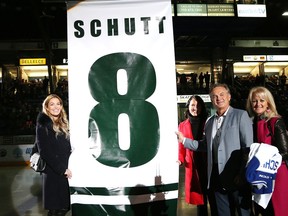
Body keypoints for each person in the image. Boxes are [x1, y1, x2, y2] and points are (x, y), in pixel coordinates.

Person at [176, 83, 253, 216]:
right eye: (214, 96)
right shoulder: (210, 121)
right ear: (211, 100)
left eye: (221, 94)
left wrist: (242, 174)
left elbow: (248, 148)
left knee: (243, 213)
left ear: (229, 96)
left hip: (237, 177)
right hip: (216, 177)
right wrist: (184, 141)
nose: (218, 98)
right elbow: (205, 145)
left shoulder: (241, 115)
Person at [246, 86, 288, 216]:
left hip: (276, 172)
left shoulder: (276, 121)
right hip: (259, 172)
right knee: (263, 209)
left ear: (268, 102)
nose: (258, 104)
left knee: (277, 209)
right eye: (254, 101)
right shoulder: (253, 121)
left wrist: (263, 159)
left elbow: (285, 152)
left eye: (262, 100)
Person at [177, 95, 217, 216]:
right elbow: (181, 146)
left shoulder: (209, 122)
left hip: (209, 163)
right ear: (188, 107)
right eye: (193, 105)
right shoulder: (182, 125)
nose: (195, 108)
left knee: (214, 197)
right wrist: (180, 159)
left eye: (198, 105)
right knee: (200, 199)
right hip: (193, 165)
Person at [36, 94, 72, 216]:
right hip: (54, 172)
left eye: (58, 104)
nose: (56, 107)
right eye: (52, 104)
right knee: (57, 209)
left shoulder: (64, 123)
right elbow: (44, 151)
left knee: (64, 207)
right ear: (46, 107)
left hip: (65, 170)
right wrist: (62, 169)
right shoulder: (43, 124)